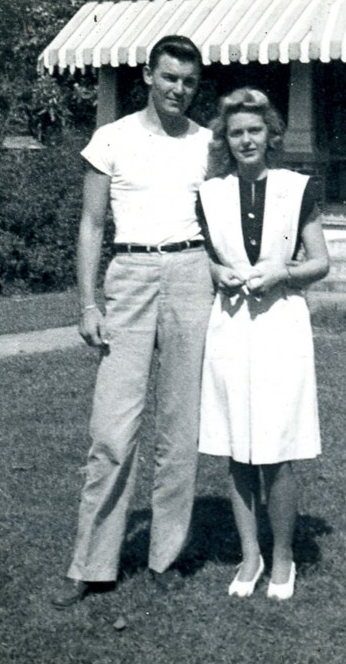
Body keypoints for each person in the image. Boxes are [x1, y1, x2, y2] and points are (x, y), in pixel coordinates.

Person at [52, 35, 214, 608]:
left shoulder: (207, 144)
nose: (179, 90)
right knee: (113, 430)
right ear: (148, 75)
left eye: (189, 82)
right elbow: (91, 226)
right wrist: (88, 304)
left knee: (180, 427)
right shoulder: (112, 139)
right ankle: (91, 564)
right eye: (169, 78)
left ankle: (165, 556)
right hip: (130, 275)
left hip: (193, 275)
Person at [197, 87, 329, 601]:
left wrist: (284, 272)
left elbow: (320, 262)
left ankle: (282, 557)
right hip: (230, 323)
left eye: (254, 130)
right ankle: (249, 555)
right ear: (225, 141)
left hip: (280, 322)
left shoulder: (297, 189)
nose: (246, 140)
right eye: (236, 133)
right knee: (235, 446)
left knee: (275, 447)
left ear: (271, 135)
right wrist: (219, 271)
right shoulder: (210, 194)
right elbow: (205, 258)